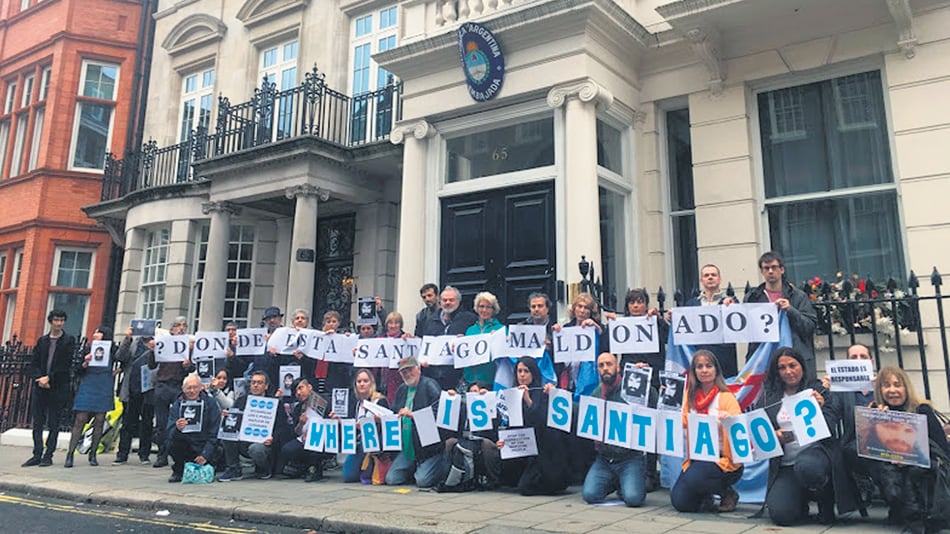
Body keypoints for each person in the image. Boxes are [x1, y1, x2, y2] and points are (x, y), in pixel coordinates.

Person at [761, 347, 858, 525]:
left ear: (802, 366)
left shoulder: (819, 390)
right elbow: (761, 433)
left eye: (792, 365)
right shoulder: (770, 396)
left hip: (817, 456)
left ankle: (824, 500)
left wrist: (820, 410)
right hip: (786, 464)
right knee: (782, 515)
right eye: (782, 368)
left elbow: (830, 428)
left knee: (808, 466)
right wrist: (773, 435)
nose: (788, 371)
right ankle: (801, 500)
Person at [866, 366, 949, 533]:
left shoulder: (922, 409)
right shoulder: (876, 410)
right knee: (887, 472)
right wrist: (876, 421)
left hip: (924, 465)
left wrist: (912, 457)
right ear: (880, 390)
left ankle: (922, 517)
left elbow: (941, 447)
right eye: (886, 385)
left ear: (906, 387)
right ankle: (901, 510)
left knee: (914, 472)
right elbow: (868, 448)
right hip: (891, 465)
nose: (892, 390)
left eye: (897, 385)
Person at [670, 349, 743, 513]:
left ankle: (727, 492)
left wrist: (729, 420)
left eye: (708, 366)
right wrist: (667, 401)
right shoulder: (689, 396)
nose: (704, 370)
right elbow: (682, 422)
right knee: (680, 503)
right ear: (694, 371)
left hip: (723, 460)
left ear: (716, 369)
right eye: (699, 367)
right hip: (698, 458)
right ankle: (705, 496)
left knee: (694, 478)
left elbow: (739, 429)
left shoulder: (726, 396)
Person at [496, 357, 570, 495]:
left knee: (526, 487)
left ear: (533, 373)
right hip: (524, 447)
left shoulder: (543, 393)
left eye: (526, 371)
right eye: (519, 371)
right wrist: (504, 441)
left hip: (544, 450)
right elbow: (512, 425)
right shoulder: (512, 394)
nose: (522, 375)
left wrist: (528, 399)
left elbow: (541, 422)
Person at [581, 352, 647, 507]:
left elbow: (653, 405)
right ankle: (617, 482)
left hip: (630, 457)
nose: (605, 368)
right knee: (590, 495)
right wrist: (553, 395)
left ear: (618, 367)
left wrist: (644, 380)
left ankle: (628, 480)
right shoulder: (597, 393)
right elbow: (582, 413)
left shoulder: (631, 388)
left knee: (633, 499)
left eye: (609, 364)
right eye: (601, 365)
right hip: (605, 458)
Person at [745, 251, 818, 381]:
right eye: (766, 268)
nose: (770, 271)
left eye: (774, 267)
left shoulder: (798, 296)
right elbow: (745, 329)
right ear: (762, 271)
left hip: (793, 359)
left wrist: (791, 310)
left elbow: (809, 327)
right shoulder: (753, 298)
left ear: (782, 270)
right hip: (764, 361)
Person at [23, 309, 77, 467]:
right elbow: (34, 362)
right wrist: (39, 378)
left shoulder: (68, 341)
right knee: (38, 422)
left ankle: (48, 455)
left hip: (57, 387)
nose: (59, 323)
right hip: (40, 386)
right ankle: (37, 454)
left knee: (54, 422)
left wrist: (50, 378)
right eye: (56, 320)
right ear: (51, 321)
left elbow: (66, 365)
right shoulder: (42, 341)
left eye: (62, 320)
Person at [218, 370, 293, 481]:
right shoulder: (241, 400)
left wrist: (273, 438)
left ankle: (264, 468)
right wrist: (228, 416)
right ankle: (234, 469)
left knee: (256, 449)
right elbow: (235, 420)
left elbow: (283, 427)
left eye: (259, 383)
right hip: (243, 440)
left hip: (264, 443)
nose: (255, 385)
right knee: (226, 434)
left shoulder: (275, 403)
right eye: (253, 382)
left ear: (266, 386)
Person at [385, 356, 447, 487]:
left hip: (428, 449)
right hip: (408, 447)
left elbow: (439, 413)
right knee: (392, 479)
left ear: (418, 369)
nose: (407, 374)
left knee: (423, 481)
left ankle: (437, 465)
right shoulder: (402, 389)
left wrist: (413, 415)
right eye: (404, 372)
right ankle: (415, 469)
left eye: (410, 370)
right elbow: (394, 412)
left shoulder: (430, 385)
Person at [64, 326, 116, 468]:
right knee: (80, 419)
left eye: (98, 332)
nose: (94, 334)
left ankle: (93, 454)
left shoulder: (112, 349)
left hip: (103, 384)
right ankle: (70, 453)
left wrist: (118, 370)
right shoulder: (88, 349)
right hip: (89, 383)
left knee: (100, 420)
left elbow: (122, 358)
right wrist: (85, 363)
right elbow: (77, 370)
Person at [149, 316, 193, 468]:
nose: (181, 328)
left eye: (184, 325)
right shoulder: (164, 343)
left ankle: (177, 454)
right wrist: (152, 350)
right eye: (178, 325)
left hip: (178, 385)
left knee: (178, 421)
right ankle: (162, 455)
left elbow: (192, 368)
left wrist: (187, 365)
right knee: (161, 423)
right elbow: (151, 365)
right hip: (163, 385)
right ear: (172, 329)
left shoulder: (187, 345)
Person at [683, 264, 740, 378]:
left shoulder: (731, 303)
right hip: (699, 361)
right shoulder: (691, 304)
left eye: (713, 275)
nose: (710, 277)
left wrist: (733, 307)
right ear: (701, 280)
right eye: (706, 275)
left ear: (720, 279)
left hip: (724, 362)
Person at [166, 373, 221, 483]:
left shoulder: (210, 403)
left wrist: (205, 454)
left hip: (205, 444)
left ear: (201, 388)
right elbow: (169, 431)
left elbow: (215, 431)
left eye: (195, 387)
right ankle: (179, 470)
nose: (192, 391)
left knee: (219, 449)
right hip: (186, 444)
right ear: (183, 389)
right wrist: (177, 428)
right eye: (189, 388)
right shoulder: (177, 404)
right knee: (171, 443)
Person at [421, 286, 477, 390]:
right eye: (444, 300)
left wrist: (466, 340)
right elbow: (424, 343)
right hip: (434, 376)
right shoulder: (431, 321)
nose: (447, 302)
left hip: (458, 376)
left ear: (458, 301)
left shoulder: (469, 319)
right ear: (440, 301)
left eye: (451, 300)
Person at [340, 369, 390, 483]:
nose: (362, 384)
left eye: (365, 381)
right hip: (360, 442)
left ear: (371, 383)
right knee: (348, 476)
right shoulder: (358, 403)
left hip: (376, 441)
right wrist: (339, 421)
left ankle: (370, 468)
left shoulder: (380, 401)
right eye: (359, 381)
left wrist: (379, 421)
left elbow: (390, 426)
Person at [274, 377, 329, 482]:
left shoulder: (323, 403)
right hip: (302, 439)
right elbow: (296, 432)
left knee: (314, 446)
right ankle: (301, 467)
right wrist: (301, 423)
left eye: (301, 388)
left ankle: (314, 469)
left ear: (309, 387)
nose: (298, 393)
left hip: (320, 437)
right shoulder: (298, 408)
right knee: (287, 449)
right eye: (296, 391)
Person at [114, 327, 155, 464]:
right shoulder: (134, 343)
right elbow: (120, 357)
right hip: (132, 387)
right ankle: (122, 454)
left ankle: (144, 454)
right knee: (128, 422)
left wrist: (154, 349)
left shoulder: (157, 343)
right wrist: (127, 339)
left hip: (149, 388)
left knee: (147, 422)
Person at [552, 292, 603, 396]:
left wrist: (597, 329)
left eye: (586, 308)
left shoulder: (597, 328)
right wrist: (556, 334)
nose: (582, 311)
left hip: (589, 379)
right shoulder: (566, 328)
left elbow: (604, 348)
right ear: (574, 308)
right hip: (569, 380)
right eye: (579, 306)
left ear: (591, 312)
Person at [462, 291, 505, 390]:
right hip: (471, 380)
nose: (484, 310)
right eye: (481, 306)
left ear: (493, 310)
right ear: (477, 308)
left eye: (488, 307)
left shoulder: (501, 329)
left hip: (491, 379)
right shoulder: (470, 330)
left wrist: (500, 339)